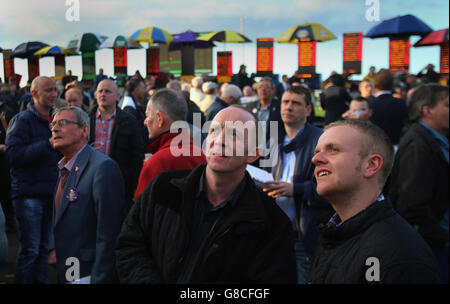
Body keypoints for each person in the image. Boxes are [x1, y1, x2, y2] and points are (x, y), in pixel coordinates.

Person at [115, 106, 298, 283]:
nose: (220, 140)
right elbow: (130, 246)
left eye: (235, 134)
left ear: (253, 154)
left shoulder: (272, 223)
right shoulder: (163, 188)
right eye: (214, 131)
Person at [308, 120, 442, 283]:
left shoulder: (401, 255)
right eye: (317, 151)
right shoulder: (332, 233)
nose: (316, 159)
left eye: (333, 150)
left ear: (371, 165)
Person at [48, 106, 128, 283]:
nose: (54, 128)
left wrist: (100, 278)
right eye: (53, 124)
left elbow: (109, 233)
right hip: (68, 266)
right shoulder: (64, 168)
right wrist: (53, 248)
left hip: (89, 271)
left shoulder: (102, 168)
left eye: (62, 123)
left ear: (84, 130)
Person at [262, 86, 331, 283]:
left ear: (309, 110)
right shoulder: (272, 141)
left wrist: (296, 190)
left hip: (306, 233)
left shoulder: (321, 140)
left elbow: (333, 188)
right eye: (285, 102)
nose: (289, 107)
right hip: (274, 232)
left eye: (296, 103)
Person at [388, 84, 449, 282]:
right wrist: (441, 236)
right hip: (434, 246)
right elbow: (412, 206)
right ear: (427, 110)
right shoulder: (418, 145)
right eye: (447, 105)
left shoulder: (434, 139)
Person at [5, 76, 60, 283]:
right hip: (29, 194)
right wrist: (47, 144)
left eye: (55, 90)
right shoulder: (22, 121)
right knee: (30, 249)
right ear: (34, 93)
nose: (53, 94)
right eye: (48, 90)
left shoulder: (55, 119)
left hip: (49, 192)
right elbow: (13, 156)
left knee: (43, 248)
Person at [134, 89, 206, 200]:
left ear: (159, 118)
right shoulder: (202, 156)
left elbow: (140, 213)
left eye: (148, 116)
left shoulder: (156, 163)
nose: (145, 121)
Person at [89, 79, 144, 202]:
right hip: (90, 181)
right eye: (100, 91)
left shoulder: (129, 121)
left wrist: (132, 183)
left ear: (117, 96)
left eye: (107, 91)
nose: (103, 94)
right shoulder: (86, 119)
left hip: (119, 182)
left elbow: (137, 154)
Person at [370, 69, 408, 146]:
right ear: (392, 85)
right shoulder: (402, 103)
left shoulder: (369, 104)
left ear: (374, 85)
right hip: (396, 145)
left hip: (374, 146)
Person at [244, 77, 283, 144]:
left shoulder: (280, 107)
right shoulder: (250, 106)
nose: (263, 89)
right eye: (260, 87)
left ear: (273, 90)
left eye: (266, 87)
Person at [121, 78, 149, 146]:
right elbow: (133, 130)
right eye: (143, 88)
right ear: (136, 90)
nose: (144, 91)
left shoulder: (133, 103)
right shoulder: (129, 107)